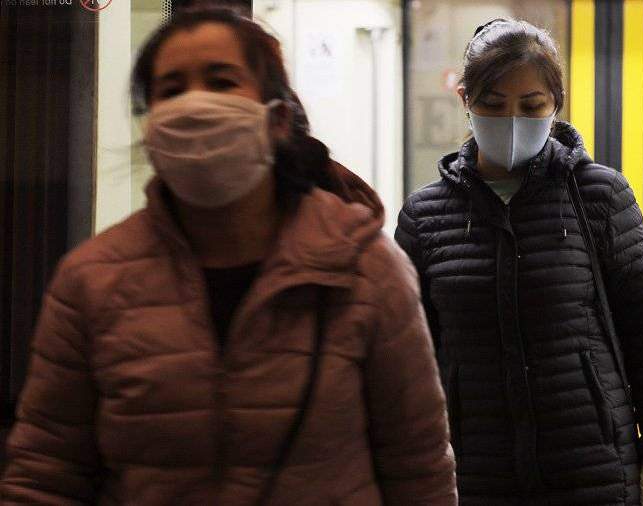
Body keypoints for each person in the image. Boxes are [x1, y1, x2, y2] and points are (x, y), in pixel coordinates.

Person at [1, 6, 456, 505]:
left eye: (221, 82)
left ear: (276, 119)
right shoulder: (91, 280)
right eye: (172, 90)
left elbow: (418, 468)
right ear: (151, 129)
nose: (195, 104)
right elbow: (45, 473)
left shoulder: (366, 269)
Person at [395, 18, 643, 506]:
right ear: (465, 100)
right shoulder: (426, 215)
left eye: (531, 105)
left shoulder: (599, 196)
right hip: (474, 473)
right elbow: (408, 354)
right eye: (492, 104)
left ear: (556, 104)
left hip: (592, 469)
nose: (512, 120)